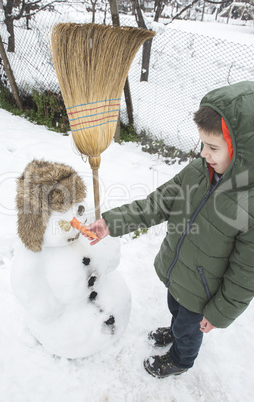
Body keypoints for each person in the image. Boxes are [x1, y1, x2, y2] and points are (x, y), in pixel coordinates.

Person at [84, 81, 254, 378]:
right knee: (176, 309)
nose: (203, 153)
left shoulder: (248, 205)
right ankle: (177, 331)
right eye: (202, 144)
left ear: (243, 152)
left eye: (212, 147)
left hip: (204, 292)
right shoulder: (199, 171)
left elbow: (245, 275)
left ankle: (181, 359)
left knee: (189, 327)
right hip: (179, 272)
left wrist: (219, 314)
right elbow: (159, 202)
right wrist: (112, 223)